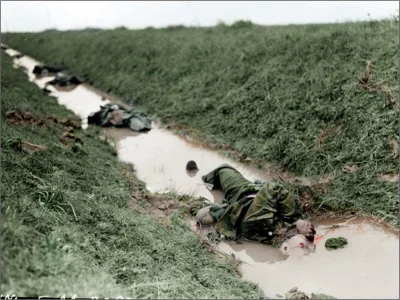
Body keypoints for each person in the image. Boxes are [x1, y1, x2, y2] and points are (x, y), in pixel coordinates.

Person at [199, 164, 316, 246]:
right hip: (249, 192)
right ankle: (204, 179)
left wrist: (295, 219)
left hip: (242, 199)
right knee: (223, 170)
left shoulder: (263, 225)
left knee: (223, 170)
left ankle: (200, 177)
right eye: (310, 229)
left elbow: (274, 189)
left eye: (307, 231)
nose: (308, 227)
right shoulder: (283, 229)